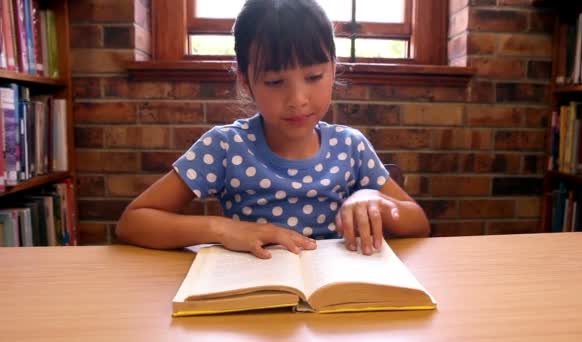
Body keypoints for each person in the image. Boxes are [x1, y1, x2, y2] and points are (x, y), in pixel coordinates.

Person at [116, 0, 430, 259]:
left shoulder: (351, 146)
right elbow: (133, 222)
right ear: (246, 82)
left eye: (314, 77)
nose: (297, 100)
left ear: (334, 69)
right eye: (275, 82)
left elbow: (418, 223)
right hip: (252, 301)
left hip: (335, 308)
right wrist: (222, 229)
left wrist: (372, 198)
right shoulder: (225, 147)